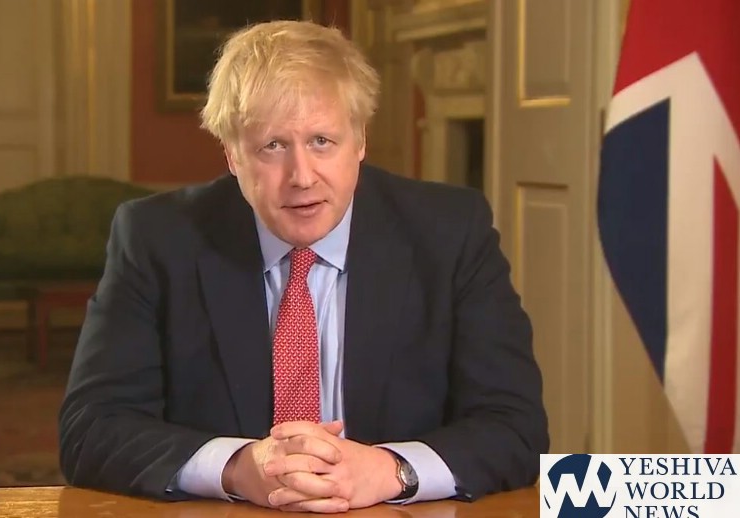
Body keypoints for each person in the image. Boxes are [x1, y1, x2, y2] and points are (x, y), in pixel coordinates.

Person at [58, 19, 548, 513]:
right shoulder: (157, 239)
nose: (302, 177)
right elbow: (91, 430)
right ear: (232, 155)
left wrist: (391, 470)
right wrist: (236, 467)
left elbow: (516, 426)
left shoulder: (450, 233)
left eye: (321, 141)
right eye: (273, 146)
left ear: (360, 140)